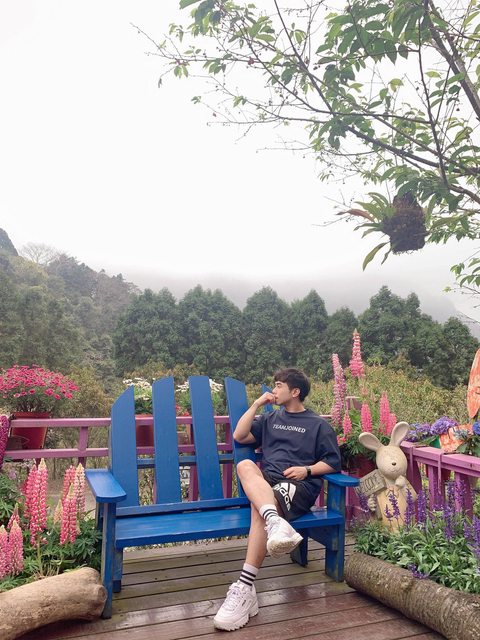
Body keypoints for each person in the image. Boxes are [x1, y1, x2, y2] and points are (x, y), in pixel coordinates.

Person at [213, 367, 341, 631]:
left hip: (298, 485)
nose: (274, 389)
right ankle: (274, 520)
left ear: (295, 392)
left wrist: (307, 470)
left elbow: (333, 462)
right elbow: (239, 435)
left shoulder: (318, 425)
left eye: (279, 385)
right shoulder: (271, 418)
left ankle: (245, 587)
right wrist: (257, 404)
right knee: (245, 465)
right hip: (268, 480)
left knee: (258, 508)